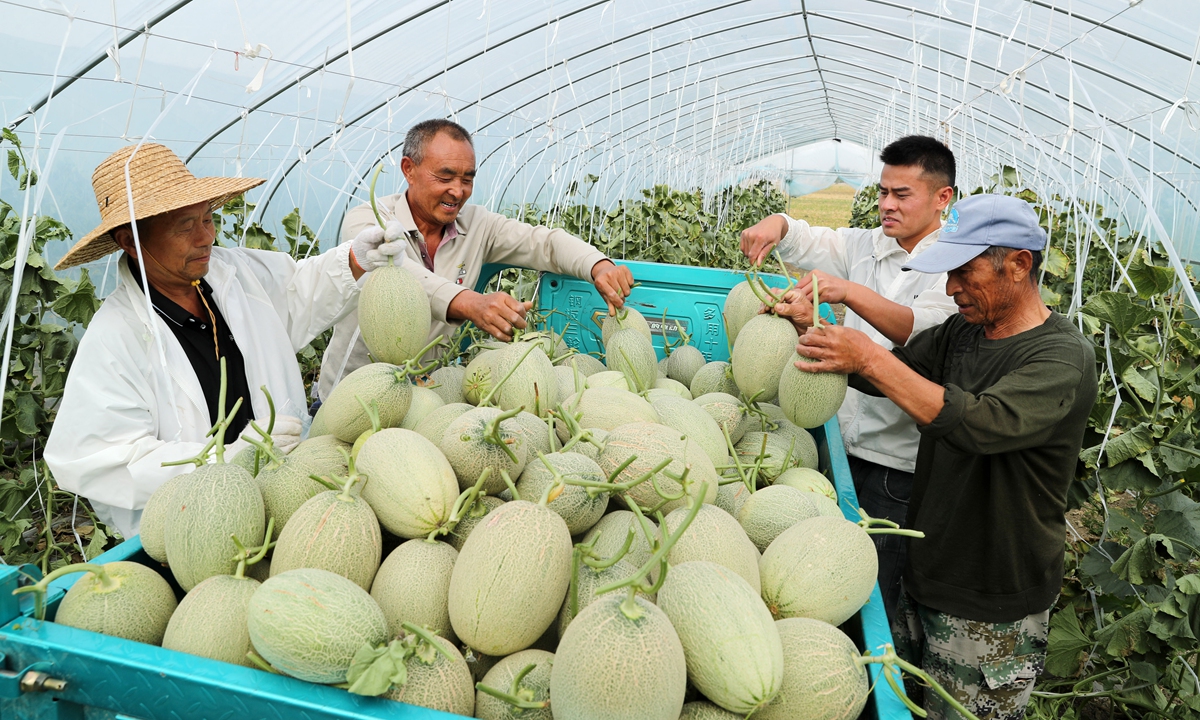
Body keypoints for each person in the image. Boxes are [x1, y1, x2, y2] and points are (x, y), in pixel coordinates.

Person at [778, 193, 1098, 720]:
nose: (951, 289)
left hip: (991, 599)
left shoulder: (1062, 356)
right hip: (928, 573)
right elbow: (887, 375)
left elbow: (978, 424)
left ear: (1019, 264)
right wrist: (816, 333)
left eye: (965, 273)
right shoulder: (962, 332)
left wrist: (871, 358)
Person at [44, 143, 402, 538]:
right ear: (130, 240)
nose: (206, 237)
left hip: (289, 495)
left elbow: (297, 294)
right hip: (197, 531)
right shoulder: (115, 338)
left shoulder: (234, 273)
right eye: (185, 226)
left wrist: (354, 260)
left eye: (208, 218)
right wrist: (222, 459)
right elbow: (103, 459)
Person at [739, 135, 958, 621]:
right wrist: (777, 225)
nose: (886, 205)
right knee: (814, 574)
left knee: (870, 584)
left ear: (943, 198)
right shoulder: (866, 244)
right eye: (882, 192)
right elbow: (811, 240)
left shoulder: (954, 266)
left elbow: (921, 329)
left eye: (902, 195)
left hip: (895, 465)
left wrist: (849, 293)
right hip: (836, 441)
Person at [317, 119, 633, 399]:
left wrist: (598, 265)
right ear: (408, 170)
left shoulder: (477, 225)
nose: (458, 191)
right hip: (353, 396)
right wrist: (470, 303)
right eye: (445, 176)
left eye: (467, 179)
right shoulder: (369, 222)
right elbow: (400, 275)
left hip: (429, 398)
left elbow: (544, 243)